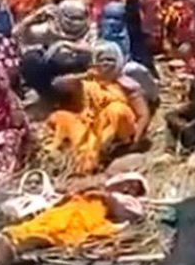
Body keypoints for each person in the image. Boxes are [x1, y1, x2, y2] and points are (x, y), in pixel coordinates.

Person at [44, 41, 149, 175]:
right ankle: (80, 158)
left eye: (110, 60)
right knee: (62, 117)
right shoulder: (88, 82)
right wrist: (85, 75)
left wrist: (136, 140)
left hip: (119, 129)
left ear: (118, 61)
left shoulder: (128, 85)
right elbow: (57, 84)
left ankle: (105, 150)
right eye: (101, 60)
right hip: (92, 125)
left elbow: (143, 114)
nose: (105, 63)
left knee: (116, 110)